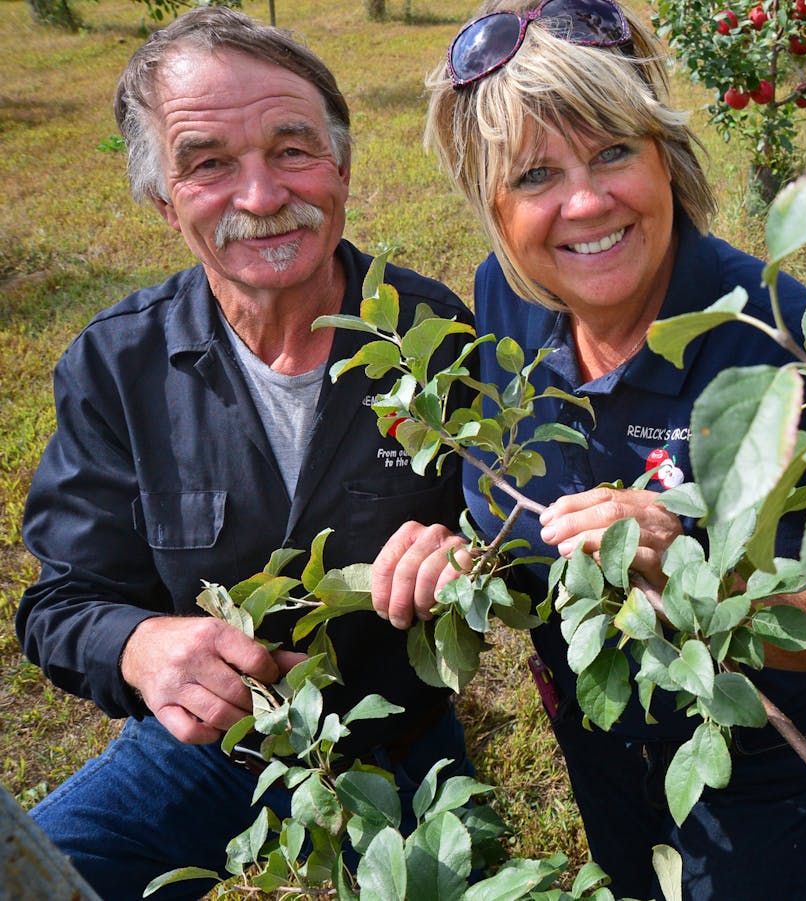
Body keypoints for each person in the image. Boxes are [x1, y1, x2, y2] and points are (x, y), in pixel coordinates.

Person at [372, 1, 806, 897]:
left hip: (761, 750)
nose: (585, 202)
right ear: (492, 205)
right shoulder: (504, 298)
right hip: (593, 728)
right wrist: (466, 554)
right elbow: (515, 496)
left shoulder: (783, 340)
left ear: (667, 158)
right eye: (535, 174)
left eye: (613, 151)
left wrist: (702, 574)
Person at [15, 9, 478, 898]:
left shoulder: (435, 335)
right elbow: (62, 600)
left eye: (292, 149)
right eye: (209, 164)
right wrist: (141, 645)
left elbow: (511, 529)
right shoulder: (119, 365)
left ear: (341, 167)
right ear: (163, 199)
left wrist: (469, 552)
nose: (262, 197)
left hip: (394, 740)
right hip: (207, 746)